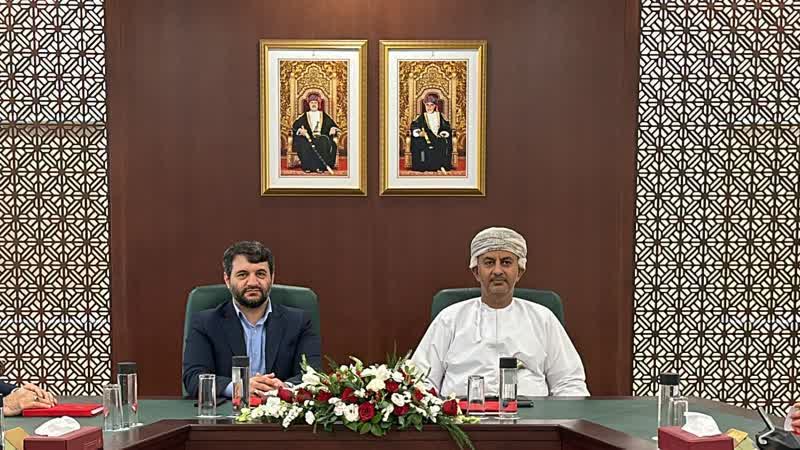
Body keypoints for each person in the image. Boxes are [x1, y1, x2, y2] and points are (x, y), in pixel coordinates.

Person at [411, 227, 589, 398]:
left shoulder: (543, 318)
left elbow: (569, 383)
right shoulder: (449, 318)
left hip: (532, 416)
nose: (497, 271)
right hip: (462, 416)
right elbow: (421, 380)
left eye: (506, 262)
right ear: (476, 272)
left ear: (519, 272)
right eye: (489, 262)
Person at [182, 241, 321, 399]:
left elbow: (313, 375)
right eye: (243, 275)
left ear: (272, 278)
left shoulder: (300, 322)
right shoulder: (205, 323)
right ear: (227, 280)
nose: (253, 282)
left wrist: (284, 389)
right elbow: (193, 378)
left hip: (281, 410)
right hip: (228, 412)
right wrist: (238, 387)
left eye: (260, 274)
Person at [291, 93, 340, 173]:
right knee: (303, 143)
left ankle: (320, 167)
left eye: (315, 102)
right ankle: (308, 167)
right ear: (309, 104)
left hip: (321, 137)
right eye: (312, 102)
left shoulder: (323, 115)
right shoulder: (304, 116)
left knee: (323, 141)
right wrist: (300, 131)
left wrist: (332, 128)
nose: (313, 104)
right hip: (308, 138)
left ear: (318, 104)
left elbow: (332, 125)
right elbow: (295, 127)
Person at [409, 93, 453, 173]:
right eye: (427, 105)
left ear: (435, 106)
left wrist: (443, 133)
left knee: (442, 143)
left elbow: (446, 128)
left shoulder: (441, 116)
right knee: (421, 144)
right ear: (425, 105)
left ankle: (441, 165)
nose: (429, 107)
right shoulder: (420, 117)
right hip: (425, 139)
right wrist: (419, 133)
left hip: (438, 138)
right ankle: (427, 166)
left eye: (431, 105)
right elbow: (414, 127)